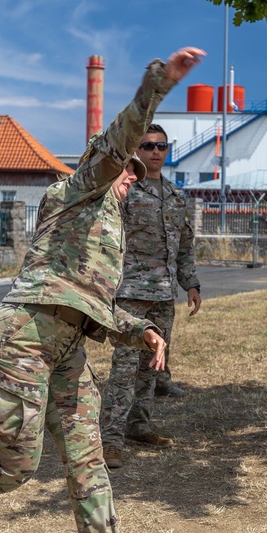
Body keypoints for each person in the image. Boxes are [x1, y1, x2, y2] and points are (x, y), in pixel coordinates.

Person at [0, 47, 205, 533]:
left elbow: (93, 304)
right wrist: (157, 86)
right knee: (19, 465)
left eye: (138, 170)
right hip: (20, 340)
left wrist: (144, 332)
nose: (135, 176)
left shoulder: (108, 228)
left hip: (66, 350)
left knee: (89, 460)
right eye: (131, 166)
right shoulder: (78, 191)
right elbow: (116, 142)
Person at [99, 123, 201, 469]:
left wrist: (191, 283)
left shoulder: (176, 196)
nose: (155, 151)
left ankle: (138, 426)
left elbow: (185, 244)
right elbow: (108, 239)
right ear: (137, 152)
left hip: (162, 295)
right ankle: (110, 439)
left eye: (161, 146)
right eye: (147, 146)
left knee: (151, 367)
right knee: (124, 368)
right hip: (129, 293)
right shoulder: (126, 191)